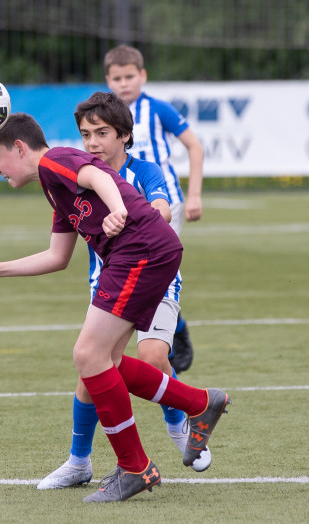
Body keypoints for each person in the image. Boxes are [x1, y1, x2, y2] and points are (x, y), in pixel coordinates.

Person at [0, 113, 231, 503]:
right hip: (141, 253)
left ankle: (135, 466)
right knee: (106, 363)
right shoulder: (54, 188)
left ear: (19, 148)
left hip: (141, 251)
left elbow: (99, 176)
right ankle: (200, 403)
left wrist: (118, 209)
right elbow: (57, 257)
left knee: (87, 355)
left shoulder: (57, 160)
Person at [37, 92, 212, 491]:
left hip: (154, 278)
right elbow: (57, 252)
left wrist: (132, 216)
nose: (93, 142)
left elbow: (163, 209)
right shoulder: (74, 180)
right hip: (106, 286)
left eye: (102, 133)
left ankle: (179, 424)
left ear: (125, 136)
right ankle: (78, 461)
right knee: (91, 371)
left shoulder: (143, 170)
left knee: (151, 357)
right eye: (86, 134)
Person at [104, 44, 205, 373]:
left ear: (143, 76)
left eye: (129, 76)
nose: (124, 83)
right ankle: (174, 326)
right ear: (108, 80)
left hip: (164, 204)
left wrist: (194, 195)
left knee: (157, 269)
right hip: (123, 207)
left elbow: (194, 146)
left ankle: (170, 328)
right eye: (117, 78)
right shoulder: (105, 118)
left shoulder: (158, 109)